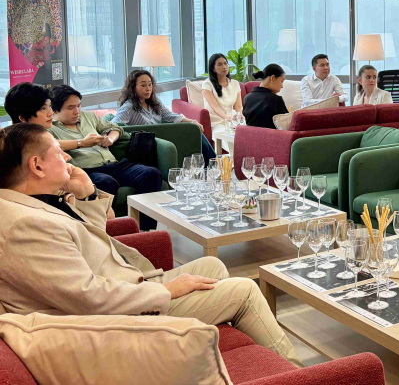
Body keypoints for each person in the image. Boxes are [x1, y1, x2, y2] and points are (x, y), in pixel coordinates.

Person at [0, 123, 301, 366]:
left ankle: (219, 350)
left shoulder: (30, 204)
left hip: (119, 287)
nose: (67, 158)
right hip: (108, 321)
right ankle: (299, 374)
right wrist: (167, 290)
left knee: (212, 265)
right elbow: (87, 297)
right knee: (245, 290)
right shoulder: (24, 225)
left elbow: (89, 242)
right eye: (58, 152)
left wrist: (87, 195)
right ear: (37, 165)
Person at [48, 85, 162, 230]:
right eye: (71, 108)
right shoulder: (50, 127)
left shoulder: (87, 117)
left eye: (78, 106)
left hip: (114, 164)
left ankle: (145, 229)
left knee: (151, 173)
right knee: (105, 182)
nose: (77, 111)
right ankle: (108, 230)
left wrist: (110, 139)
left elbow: (116, 128)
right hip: (88, 170)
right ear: (55, 110)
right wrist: (81, 143)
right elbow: (50, 145)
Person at [5, 82, 114, 220]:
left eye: (49, 106)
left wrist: (84, 194)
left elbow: (108, 216)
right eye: (43, 108)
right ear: (23, 118)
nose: (51, 112)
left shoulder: (40, 138)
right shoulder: (17, 151)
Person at [113, 70, 216, 161]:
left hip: (163, 139)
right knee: (192, 133)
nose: (148, 88)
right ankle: (214, 164)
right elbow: (113, 125)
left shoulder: (154, 102)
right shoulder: (129, 107)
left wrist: (193, 122)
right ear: (133, 88)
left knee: (195, 131)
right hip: (148, 145)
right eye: (143, 85)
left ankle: (213, 163)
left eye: (150, 85)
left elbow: (171, 116)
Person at [203, 53, 243, 140]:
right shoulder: (207, 84)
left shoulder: (235, 83)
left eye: (225, 63)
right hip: (216, 122)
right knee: (228, 139)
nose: (224, 67)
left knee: (249, 135)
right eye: (220, 64)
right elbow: (215, 107)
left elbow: (238, 106)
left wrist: (239, 116)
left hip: (233, 120)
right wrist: (227, 117)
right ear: (213, 69)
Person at [243, 64, 289, 129]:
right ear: (272, 78)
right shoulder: (275, 100)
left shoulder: (247, 98)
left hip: (251, 135)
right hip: (272, 135)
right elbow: (287, 126)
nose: (282, 86)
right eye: (281, 81)